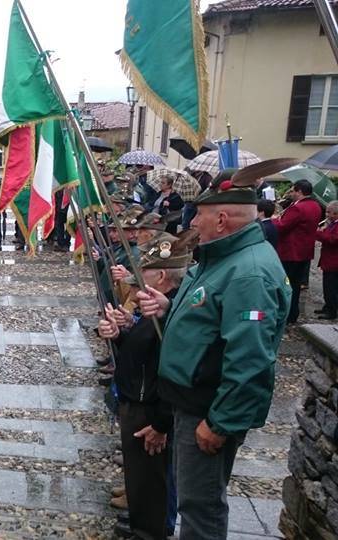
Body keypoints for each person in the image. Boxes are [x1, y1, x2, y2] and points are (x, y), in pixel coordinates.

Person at [137, 166, 291, 539]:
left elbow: (251, 358)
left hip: (206, 409)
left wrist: (221, 422)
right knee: (194, 500)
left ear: (221, 219)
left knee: (200, 508)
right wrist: (168, 308)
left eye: (200, 215)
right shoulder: (222, 259)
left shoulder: (248, 273)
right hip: (190, 401)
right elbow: (209, 317)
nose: (194, 222)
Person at [98, 231, 196, 539]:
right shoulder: (155, 310)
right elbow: (140, 352)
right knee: (142, 481)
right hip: (138, 400)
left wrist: (161, 422)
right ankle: (142, 521)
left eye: (146, 270)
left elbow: (174, 371)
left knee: (154, 484)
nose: (139, 276)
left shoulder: (172, 314)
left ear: (163, 275)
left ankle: (151, 529)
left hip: (151, 409)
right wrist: (121, 333)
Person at [273, 179, 320, 323]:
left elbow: (283, 226)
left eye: (293, 191)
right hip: (304, 251)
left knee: (286, 284)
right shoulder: (315, 205)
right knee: (295, 284)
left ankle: (287, 313)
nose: (291, 193)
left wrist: (273, 220)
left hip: (291, 251)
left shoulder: (298, 208)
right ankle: (293, 313)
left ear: (299, 191)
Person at [316, 201, 338, 319]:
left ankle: (332, 311)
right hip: (329, 259)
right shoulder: (332, 224)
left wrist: (319, 234)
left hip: (333, 261)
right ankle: (328, 306)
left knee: (331, 287)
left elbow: (333, 239)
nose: (327, 215)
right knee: (328, 286)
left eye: (330, 212)